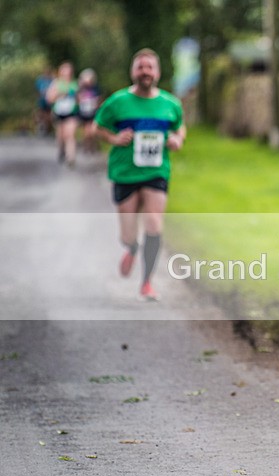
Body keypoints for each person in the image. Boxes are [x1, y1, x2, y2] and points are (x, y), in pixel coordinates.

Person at [94, 48, 186, 301]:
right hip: (125, 172)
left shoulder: (170, 104)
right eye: (140, 67)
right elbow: (97, 128)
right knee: (128, 234)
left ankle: (147, 282)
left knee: (154, 224)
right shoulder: (117, 102)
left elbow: (180, 127)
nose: (145, 71)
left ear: (158, 72)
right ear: (133, 71)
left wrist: (177, 139)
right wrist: (114, 138)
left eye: (150, 67)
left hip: (156, 171)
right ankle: (132, 248)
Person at [46, 61, 79, 166]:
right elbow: (49, 99)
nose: (66, 73)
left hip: (72, 113)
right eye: (64, 70)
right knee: (61, 136)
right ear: (60, 72)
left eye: (68, 70)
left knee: (70, 135)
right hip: (59, 112)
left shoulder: (75, 84)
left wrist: (77, 98)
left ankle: (71, 157)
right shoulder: (56, 83)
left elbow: (80, 99)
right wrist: (59, 94)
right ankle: (62, 150)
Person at [77, 68, 101, 153]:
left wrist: (96, 103)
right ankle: (87, 145)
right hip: (84, 112)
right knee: (86, 131)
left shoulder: (96, 88)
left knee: (92, 131)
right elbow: (77, 100)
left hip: (93, 111)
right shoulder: (80, 88)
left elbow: (99, 99)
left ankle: (92, 145)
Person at [34, 66, 54, 136]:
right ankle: (42, 128)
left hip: (49, 100)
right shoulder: (40, 80)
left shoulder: (52, 80)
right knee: (41, 114)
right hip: (42, 100)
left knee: (49, 115)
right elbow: (37, 90)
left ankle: (48, 129)